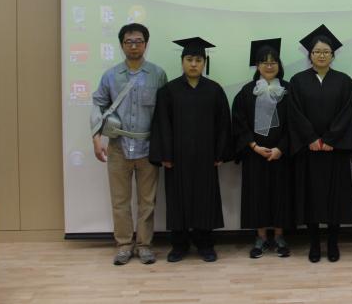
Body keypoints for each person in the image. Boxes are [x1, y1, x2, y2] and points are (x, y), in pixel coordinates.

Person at [90, 23, 168, 266]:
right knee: (120, 201)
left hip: (148, 147)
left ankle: (144, 245)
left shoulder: (157, 74)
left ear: (146, 44)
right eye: (129, 41)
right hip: (118, 147)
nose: (134, 46)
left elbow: (164, 112)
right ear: (122, 44)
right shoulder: (110, 75)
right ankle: (124, 245)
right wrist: (96, 138)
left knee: (148, 202)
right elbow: (98, 105)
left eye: (138, 41)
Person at [149, 36, 231, 263]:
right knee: (178, 200)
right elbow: (162, 124)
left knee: (205, 199)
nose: (194, 64)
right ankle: (179, 245)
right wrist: (165, 155)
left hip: (206, 157)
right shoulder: (168, 91)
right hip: (177, 158)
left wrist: (220, 153)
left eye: (198, 60)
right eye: (189, 59)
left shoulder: (214, 90)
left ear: (204, 62)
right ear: (182, 61)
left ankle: (205, 244)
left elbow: (223, 124)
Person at [289, 24, 352, 263]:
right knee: (312, 199)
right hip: (310, 151)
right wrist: (311, 138)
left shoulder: (344, 81)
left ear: (333, 55)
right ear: (310, 55)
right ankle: (315, 243)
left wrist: (329, 139)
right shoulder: (297, 81)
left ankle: (333, 243)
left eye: (326, 51)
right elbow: (295, 113)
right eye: (317, 51)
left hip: (334, 151)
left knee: (335, 199)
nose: (322, 55)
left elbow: (347, 113)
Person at [232, 38, 293, 259]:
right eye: (264, 62)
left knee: (281, 195)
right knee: (256, 195)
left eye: (273, 61)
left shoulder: (288, 90)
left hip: (281, 154)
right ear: (257, 65)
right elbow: (239, 122)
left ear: (279, 65)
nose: (269, 65)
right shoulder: (247, 92)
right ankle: (260, 237)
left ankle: (279, 237)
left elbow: (295, 123)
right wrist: (254, 146)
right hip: (255, 154)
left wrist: (281, 148)